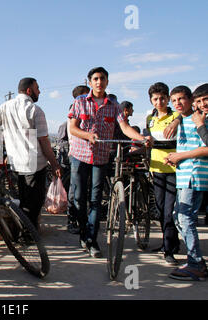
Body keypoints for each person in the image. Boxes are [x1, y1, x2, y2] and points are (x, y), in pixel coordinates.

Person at [68, 67, 151, 258]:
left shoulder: (114, 105)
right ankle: (83, 233)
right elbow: (73, 128)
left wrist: (140, 138)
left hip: (101, 157)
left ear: (107, 81)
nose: (99, 82)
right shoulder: (80, 102)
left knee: (96, 200)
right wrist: (87, 135)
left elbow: (124, 126)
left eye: (102, 78)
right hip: (80, 156)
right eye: (95, 79)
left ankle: (92, 239)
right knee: (80, 199)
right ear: (89, 82)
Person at [0, 77, 61, 230]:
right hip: (35, 164)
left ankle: (24, 231)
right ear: (29, 90)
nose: (39, 91)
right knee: (33, 204)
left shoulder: (6, 107)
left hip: (17, 163)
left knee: (24, 200)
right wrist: (55, 164)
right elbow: (45, 142)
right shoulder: (36, 110)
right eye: (37, 88)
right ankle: (29, 234)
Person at [162, 85, 208, 281]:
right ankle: (195, 260)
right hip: (184, 174)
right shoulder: (186, 119)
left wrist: (180, 156)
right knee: (179, 216)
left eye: (181, 99)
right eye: (174, 101)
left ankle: (196, 264)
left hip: (194, 174)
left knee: (185, 218)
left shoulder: (202, 120)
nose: (177, 103)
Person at [144, 82, 180, 265]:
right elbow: (147, 139)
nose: (159, 101)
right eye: (155, 99)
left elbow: (183, 115)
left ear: (168, 98)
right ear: (151, 100)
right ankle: (171, 242)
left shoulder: (176, 115)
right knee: (159, 210)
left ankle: (169, 250)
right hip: (157, 169)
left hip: (174, 169)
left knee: (168, 211)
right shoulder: (150, 118)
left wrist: (176, 120)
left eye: (162, 98)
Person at [62, 85, 90, 234]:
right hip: (77, 154)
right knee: (75, 189)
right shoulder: (76, 110)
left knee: (84, 189)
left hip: (89, 154)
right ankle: (72, 220)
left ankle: (82, 220)